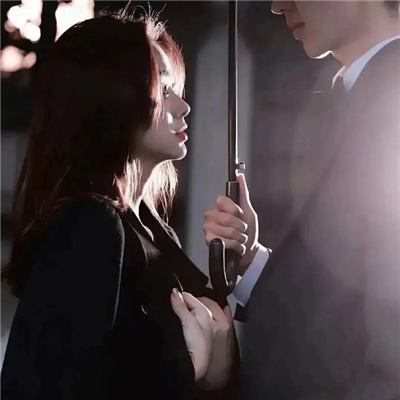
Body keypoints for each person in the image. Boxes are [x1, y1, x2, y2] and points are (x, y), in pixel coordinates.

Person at [1, 7, 236, 400]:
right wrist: (188, 367)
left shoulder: (150, 227)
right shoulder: (89, 226)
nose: (182, 106)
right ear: (111, 100)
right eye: (163, 89)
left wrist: (216, 371)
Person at [203, 1, 400, 399]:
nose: (278, 6)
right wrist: (252, 260)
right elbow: (337, 306)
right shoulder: (354, 94)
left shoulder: (389, 99)